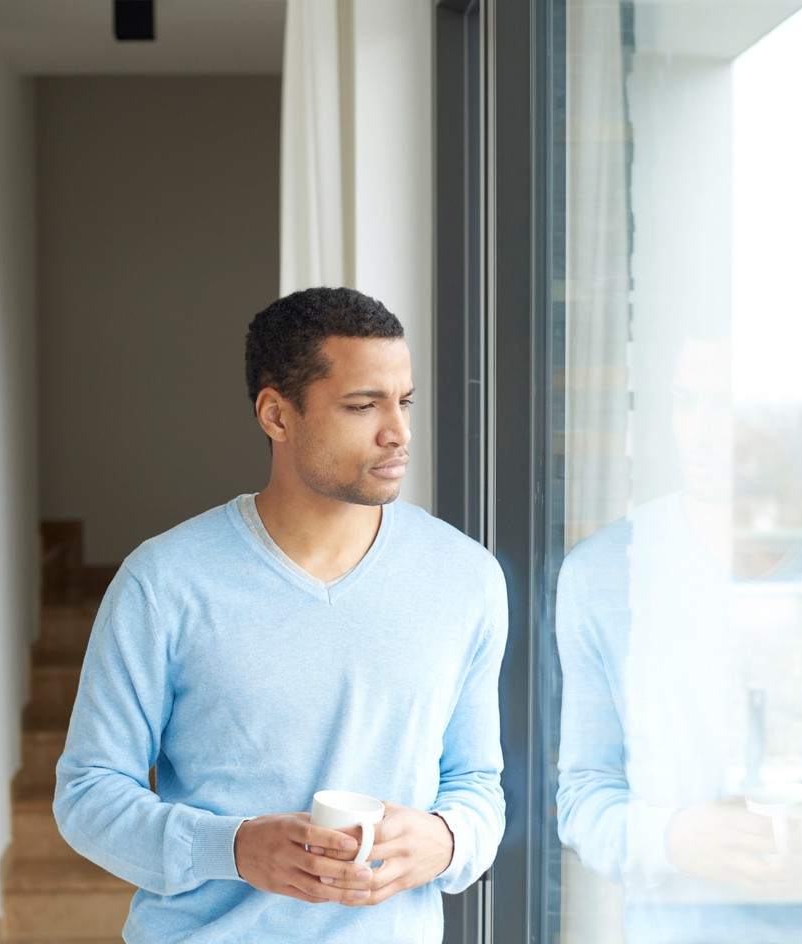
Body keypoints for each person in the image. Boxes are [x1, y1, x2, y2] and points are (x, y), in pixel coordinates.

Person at [53, 286, 508, 944]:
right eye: (362, 406)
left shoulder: (465, 578)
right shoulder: (165, 581)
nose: (398, 432)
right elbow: (89, 793)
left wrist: (446, 838)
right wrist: (231, 849)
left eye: (403, 402)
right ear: (276, 415)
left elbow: (475, 782)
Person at [555, 336, 802, 943]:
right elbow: (582, 797)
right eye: (686, 401)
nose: (700, 431)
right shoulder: (607, 573)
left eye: (728, 405)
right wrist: (671, 839)